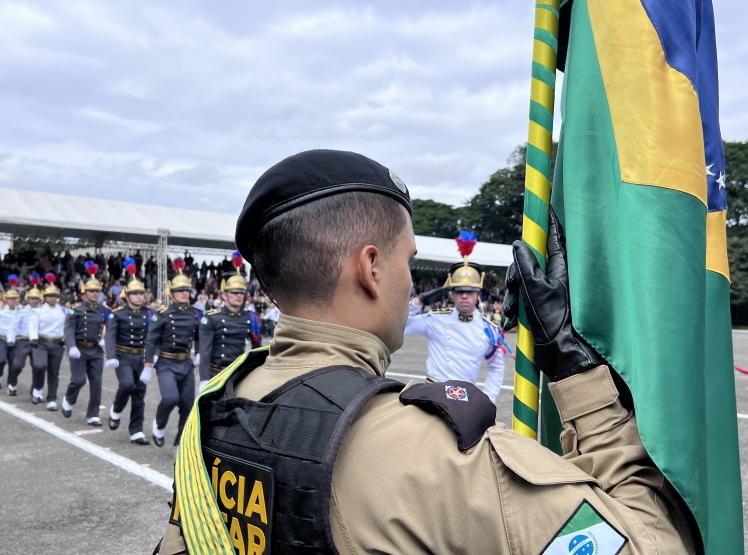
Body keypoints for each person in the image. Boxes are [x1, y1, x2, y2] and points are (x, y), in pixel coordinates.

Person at [155, 149, 693, 554]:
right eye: (406, 260)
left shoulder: (216, 407)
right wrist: (582, 382)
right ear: (370, 268)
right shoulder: (437, 457)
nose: (411, 282)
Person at [404, 237, 506, 403]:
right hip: (432, 395)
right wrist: (420, 301)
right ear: (452, 294)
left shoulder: (490, 330)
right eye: (459, 291)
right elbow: (402, 326)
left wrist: (488, 399)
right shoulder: (435, 319)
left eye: (470, 291)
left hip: (465, 400)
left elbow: (496, 367)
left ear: (478, 294)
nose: (464, 295)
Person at [144, 261, 201, 447]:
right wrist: (147, 364)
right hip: (166, 363)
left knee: (187, 406)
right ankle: (159, 425)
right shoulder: (163, 313)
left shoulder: (196, 314)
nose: (185, 293)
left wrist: (199, 353)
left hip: (186, 363)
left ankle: (180, 444)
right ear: (172, 293)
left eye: (187, 290)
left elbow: (201, 336)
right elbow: (151, 339)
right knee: (170, 398)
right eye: (180, 290)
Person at [105, 259, 154, 445]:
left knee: (139, 393)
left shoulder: (149, 314)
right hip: (123, 356)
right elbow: (110, 336)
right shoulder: (117, 314)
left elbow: (153, 336)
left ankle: (136, 431)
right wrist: (111, 356)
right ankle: (116, 410)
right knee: (126, 385)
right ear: (127, 295)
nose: (139, 297)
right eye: (135, 294)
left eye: (141, 293)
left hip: (141, 358)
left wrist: (153, 355)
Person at [197, 257, 260, 392]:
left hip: (237, 375)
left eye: (242, 293)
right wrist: (204, 379)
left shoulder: (251, 318)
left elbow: (257, 350)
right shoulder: (212, 318)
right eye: (234, 292)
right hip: (216, 374)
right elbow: (205, 352)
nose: (239, 296)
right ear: (224, 295)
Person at [62, 261, 108, 424]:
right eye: (91, 291)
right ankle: (69, 399)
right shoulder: (76, 310)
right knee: (78, 380)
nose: (94, 294)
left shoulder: (105, 311)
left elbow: (112, 328)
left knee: (96, 382)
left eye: (97, 291)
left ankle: (93, 414)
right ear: (84, 292)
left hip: (96, 351)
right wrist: (71, 346)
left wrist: (105, 340)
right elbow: (68, 330)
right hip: (79, 350)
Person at [33, 273, 68, 409]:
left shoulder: (64, 311)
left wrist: (66, 339)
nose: (52, 298)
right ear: (45, 297)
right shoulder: (39, 311)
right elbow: (33, 325)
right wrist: (33, 338)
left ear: (58, 297)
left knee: (54, 372)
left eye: (54, 296)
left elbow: (68, 326)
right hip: (41, 342)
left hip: (57, 344)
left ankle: (51, 398)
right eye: (49, 296)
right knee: (40, 366)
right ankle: (37, 389)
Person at [7, 277, 40, 396]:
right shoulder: (21, 311)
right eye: (31, 298)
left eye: (36, 298)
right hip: (23, 341)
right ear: (27, 299)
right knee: (17, 365)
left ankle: (35, 390)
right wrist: (10, 340)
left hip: (38, 342)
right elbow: (12, 326)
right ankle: (12, 382)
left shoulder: (43, 311)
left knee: (38, 367)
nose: (34, 300)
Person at [0, 281, 22, 388]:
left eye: (15, 298)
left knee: (15, 364)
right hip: (2, 339)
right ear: (6, 299)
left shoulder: (22, 311)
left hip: (16, 340)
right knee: (1, 360)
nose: (13, 301)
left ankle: (12, 384)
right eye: (10, 298)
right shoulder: (1, 312)